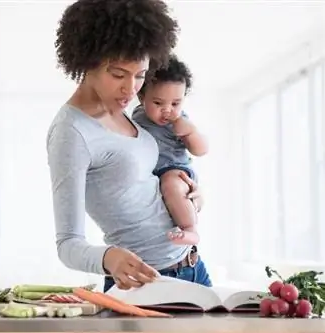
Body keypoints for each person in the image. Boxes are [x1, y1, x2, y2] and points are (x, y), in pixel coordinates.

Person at [47, 0, 212, 292]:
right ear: (87, 61)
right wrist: (108, 257)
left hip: (192, 266)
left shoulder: (126, 113)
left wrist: (191, 194)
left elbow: (143, 184)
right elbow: (68, 244)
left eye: (140, 75)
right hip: (143, 282)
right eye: (118, 74)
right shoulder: (71, 132)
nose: (131, 89)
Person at [132, 55, 208, 246]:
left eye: (175, 103)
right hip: (151, 174)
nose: (167, 110)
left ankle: (190, 229)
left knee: (171, 184)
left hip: (175, 169)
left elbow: (201, 150)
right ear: (141, 97)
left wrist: (190, 132)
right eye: (158, 103)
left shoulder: (181, 121)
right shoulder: (136, 118)